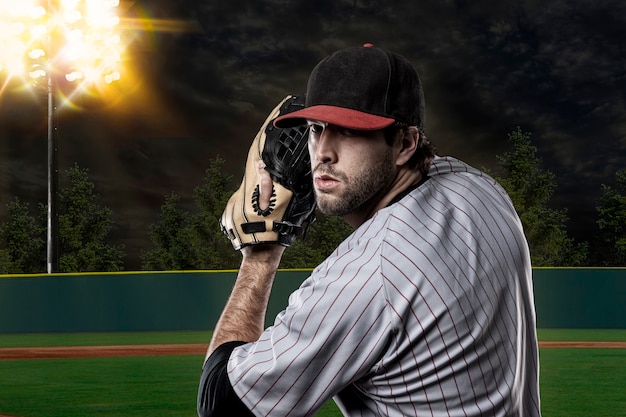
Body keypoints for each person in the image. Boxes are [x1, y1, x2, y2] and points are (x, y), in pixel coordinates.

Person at [198, 43, 541, 417]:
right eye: (316, 129)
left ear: (405, 143)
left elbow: (222, 405)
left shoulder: (372, 271)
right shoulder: (481, 189)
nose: (323, 153)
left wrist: (261, 255)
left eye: (349, 131)